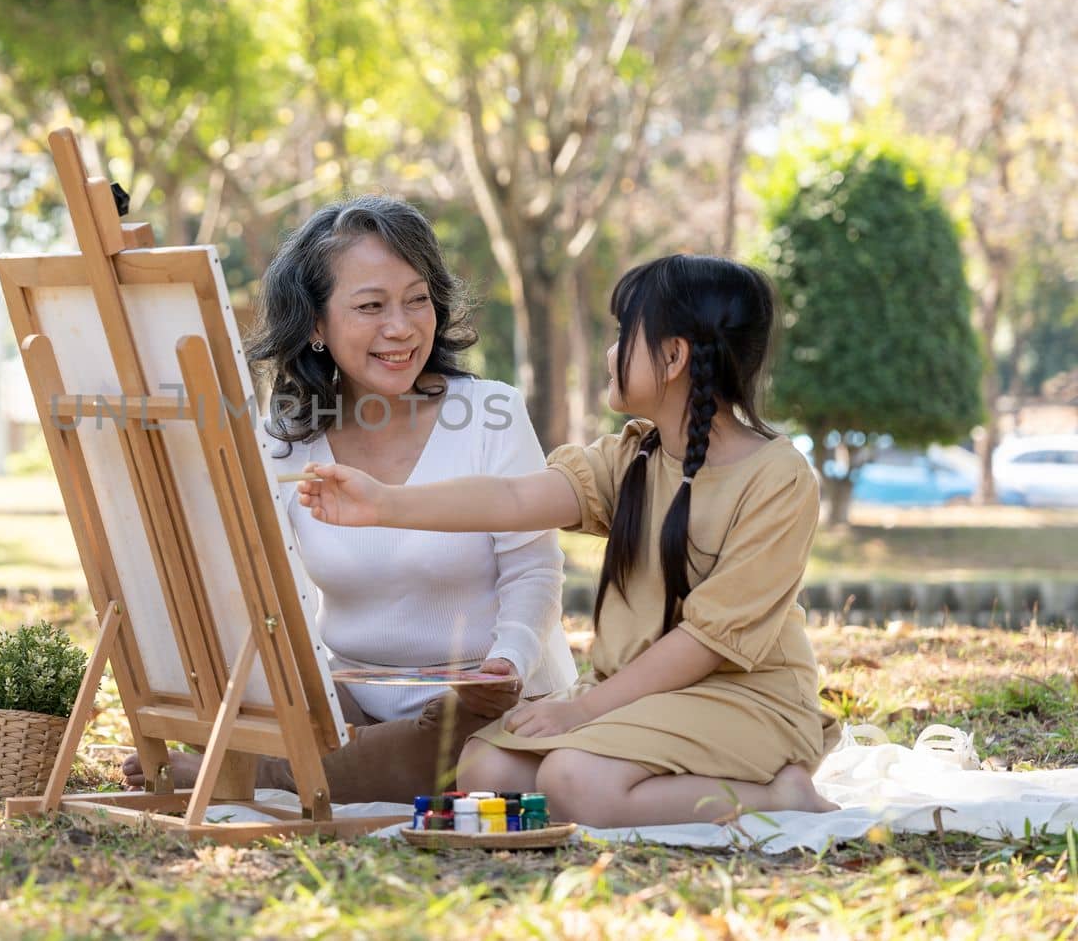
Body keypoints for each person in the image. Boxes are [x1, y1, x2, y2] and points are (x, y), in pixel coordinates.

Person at [297, 254, 841, 826]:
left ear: (675, 356)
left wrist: (582, 711)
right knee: (484, 769)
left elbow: (708, 640)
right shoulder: (632, 457)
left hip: (744, 698)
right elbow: (511, 500)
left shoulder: (779, 477)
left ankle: (782, 796)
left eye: (624, 335)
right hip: (642, 697)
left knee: (573, 779)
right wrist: (385, 503)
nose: (609, 354)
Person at [123, 195, 577, 802]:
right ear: (315, 324)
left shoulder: (488, 412)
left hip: (483, 705)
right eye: (370, 306)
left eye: (418, 300)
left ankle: (271, 771)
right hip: (355, 701)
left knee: (466, 757)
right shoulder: (286, 439)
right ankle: (313, 760)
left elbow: (535, 564)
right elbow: (259, 592)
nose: (402, 327)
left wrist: (510, 660)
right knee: (301, 706)